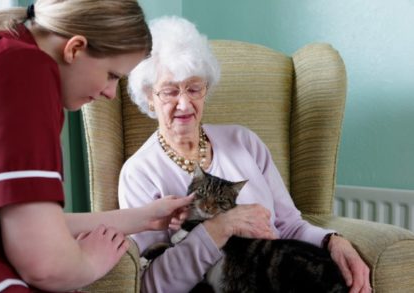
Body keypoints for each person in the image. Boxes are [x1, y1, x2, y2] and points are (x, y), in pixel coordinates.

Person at [118, 16, 372, 293]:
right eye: (169, 91)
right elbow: (151, 284)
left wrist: (332, 241)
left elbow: (289, 225)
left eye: (194, 88)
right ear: (149, 97)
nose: (184, 103)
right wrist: (220, 227)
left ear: (206, 90)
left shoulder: (244, 142)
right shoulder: (139, 172)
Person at [0, 2, 194, 292]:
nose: (111, 94)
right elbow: (45, 266)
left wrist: (143, 217)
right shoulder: (25, 70)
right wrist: (89, 264)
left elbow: (30, 227)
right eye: (112, 75)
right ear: (75, 48)